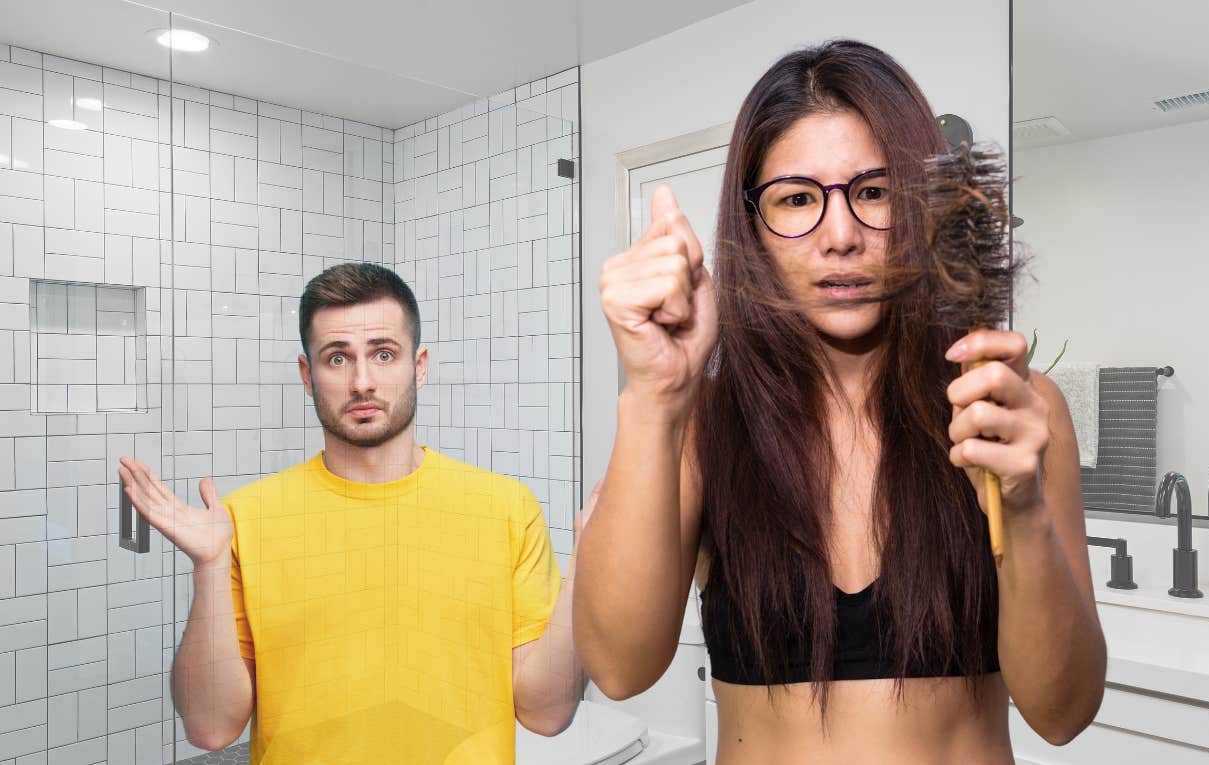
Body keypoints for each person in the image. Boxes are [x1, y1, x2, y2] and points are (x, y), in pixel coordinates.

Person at [574, 39, 1106, 763]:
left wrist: (1022, 503)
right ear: (753, 224)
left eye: (875, 191)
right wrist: (653, 392)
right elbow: (618, 665)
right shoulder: (706, 424)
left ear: (923, 205)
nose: (842, 236)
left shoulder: (1011, 411)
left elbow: (1063, 710)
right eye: (797, 198)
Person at [118, 262, 583, 764]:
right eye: (337, 359)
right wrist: (209, 566)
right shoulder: (243, 520)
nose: (363, 381)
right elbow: (211, 728)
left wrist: (585, 570)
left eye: (384, 354)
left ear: (419, 366)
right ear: (307, 375)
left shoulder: (506, 509)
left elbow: (547, 713)